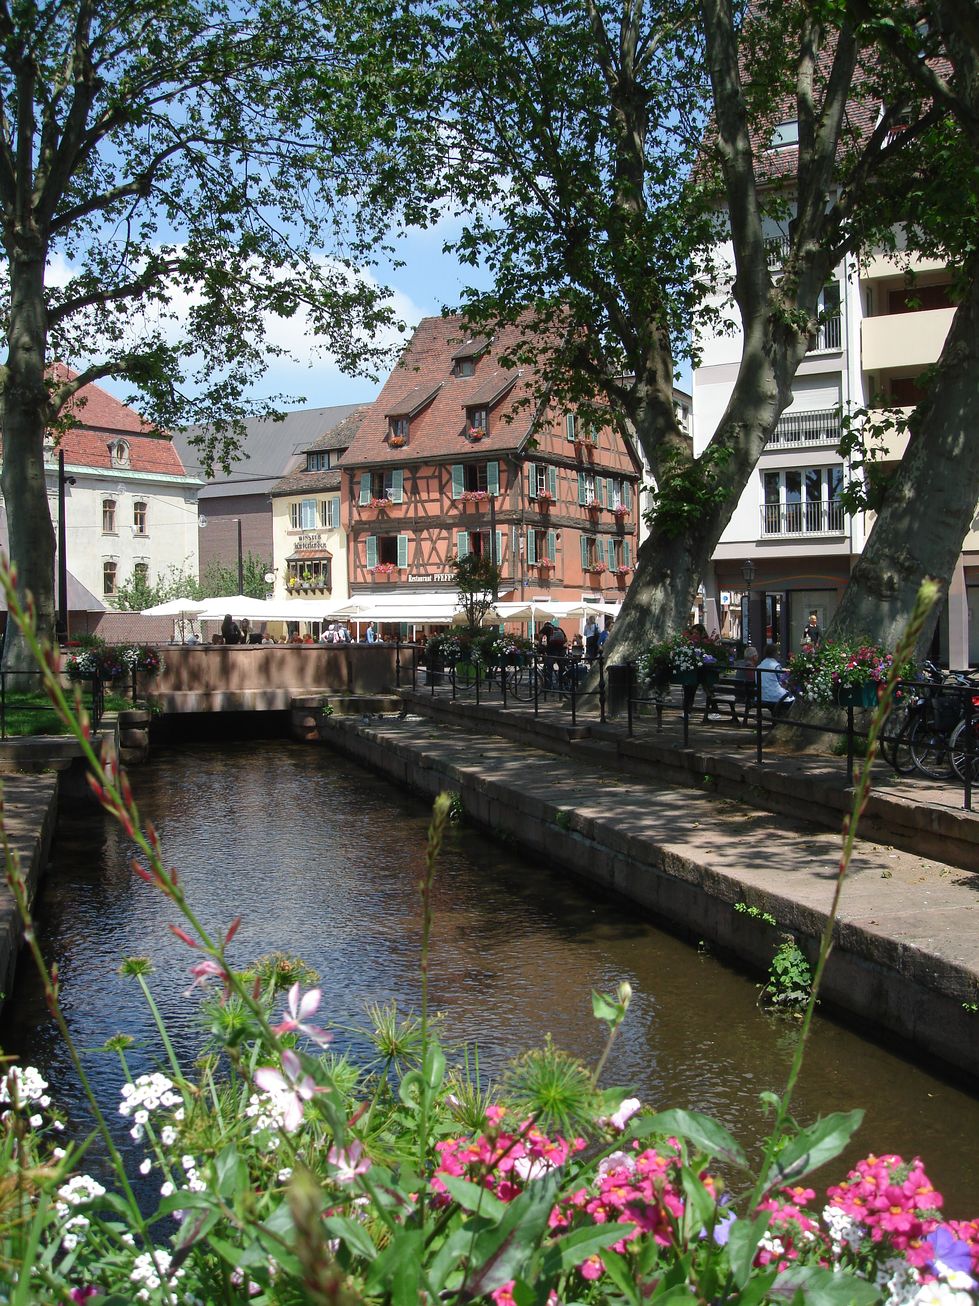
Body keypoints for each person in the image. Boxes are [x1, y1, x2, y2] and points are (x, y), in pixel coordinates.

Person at [756, 643, 795, 709]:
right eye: (778, 652)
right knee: (793, 698)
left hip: (762, 697)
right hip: (776, 697)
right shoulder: (776, 666)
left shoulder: (759, 666)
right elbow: (783, 682)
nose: (779, 654)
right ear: (775, 653)